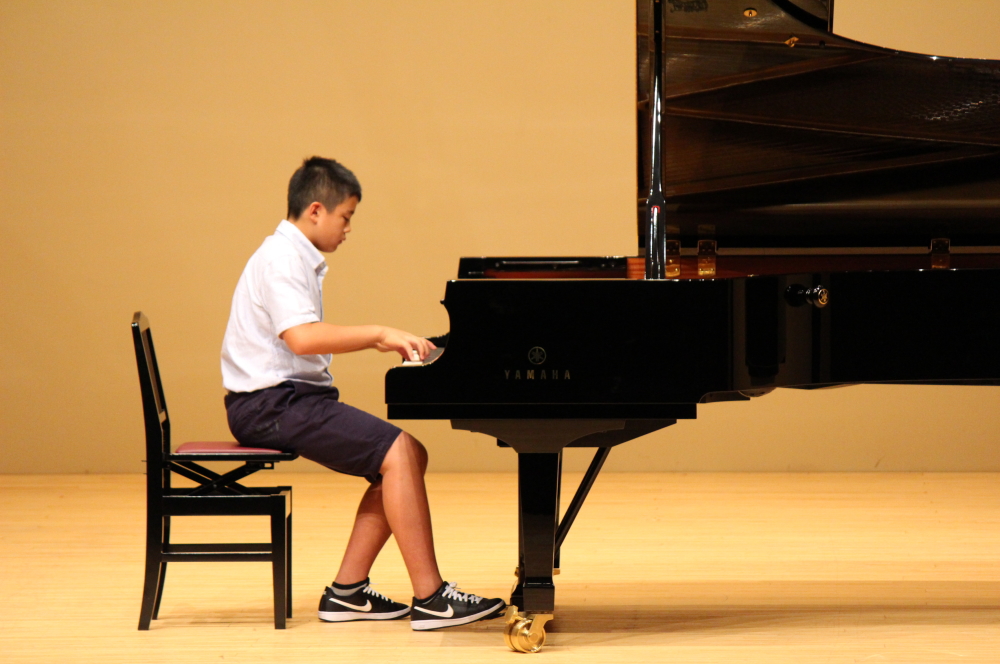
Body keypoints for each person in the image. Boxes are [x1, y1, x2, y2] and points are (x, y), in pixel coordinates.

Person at [221, 156, 505, 630]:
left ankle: (347, 592)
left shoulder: (292, 256)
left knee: (407, 455)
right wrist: (379, 334)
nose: (348, 228)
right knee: (399, 452)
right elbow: (302, 339)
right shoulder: (280, 258)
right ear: (316, 210)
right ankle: (432, 598)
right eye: (345, 216)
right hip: (271, 404)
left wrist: (384, 338)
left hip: (284, 400)